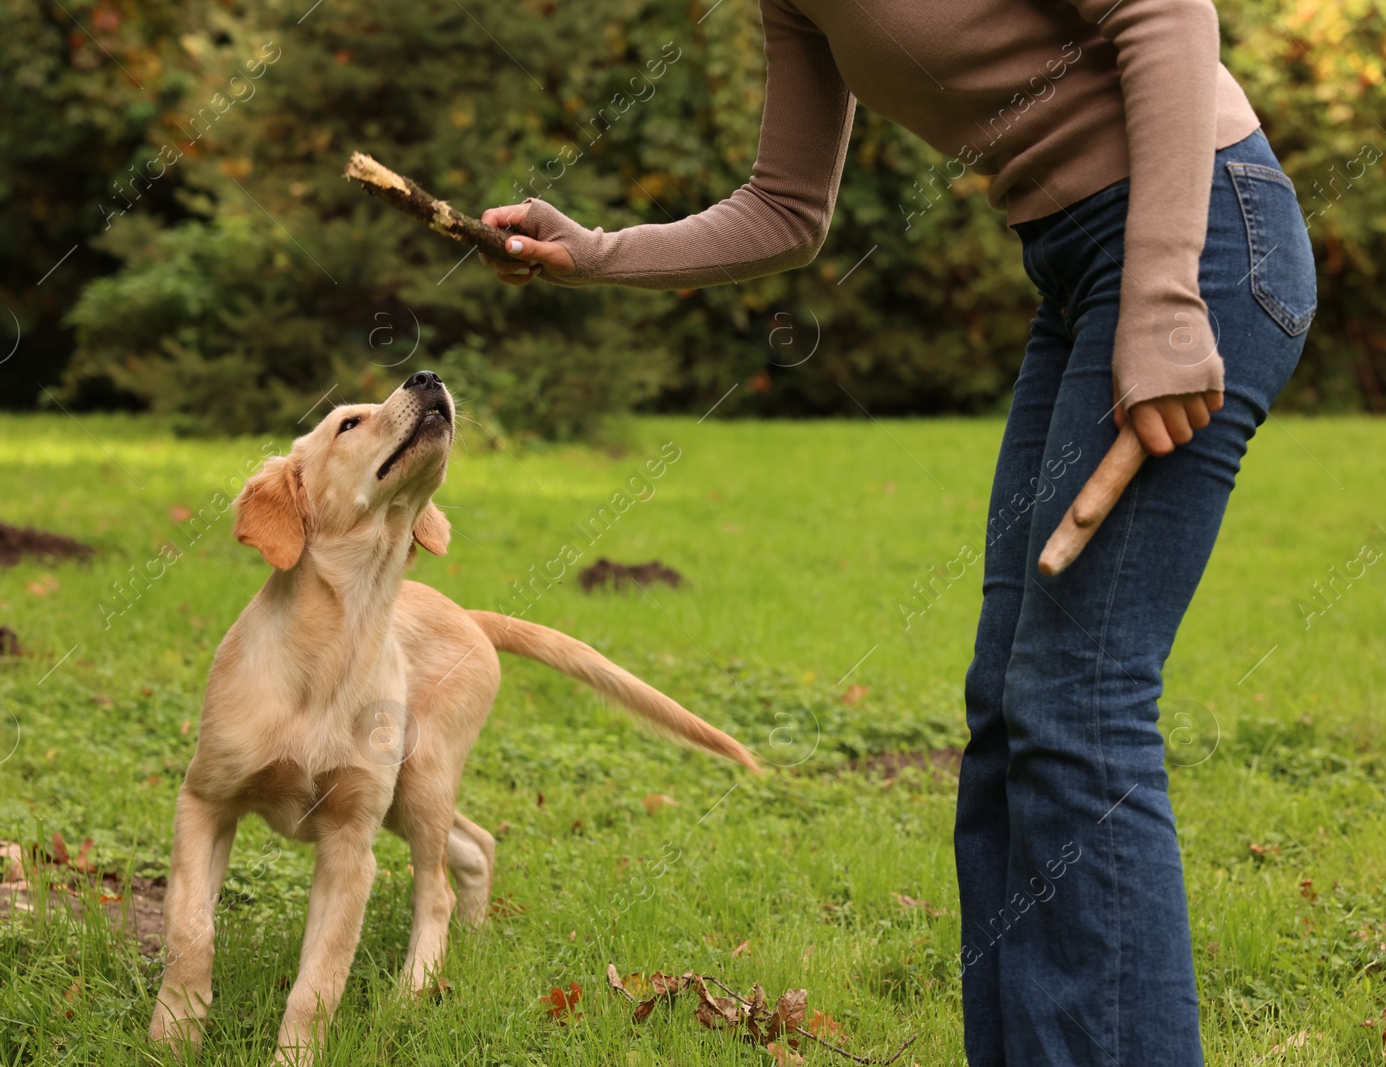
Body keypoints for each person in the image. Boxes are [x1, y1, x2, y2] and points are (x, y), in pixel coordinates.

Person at [476, 1, 1316, 1063]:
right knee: (1012, 706)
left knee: (1078, 698)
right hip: (1074, 268)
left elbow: (1162, 11)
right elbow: (784, 206)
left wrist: (1157, 295)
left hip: (1190, 243)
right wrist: (595, 252)